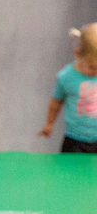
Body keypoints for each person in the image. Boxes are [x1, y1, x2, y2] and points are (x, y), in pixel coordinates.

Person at [39, 24, 97, 152]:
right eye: (92, 67)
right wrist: (49, 123)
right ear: (77, 54)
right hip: (75, 139)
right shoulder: (66, 77)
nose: (95, 71)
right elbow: (56, 102)